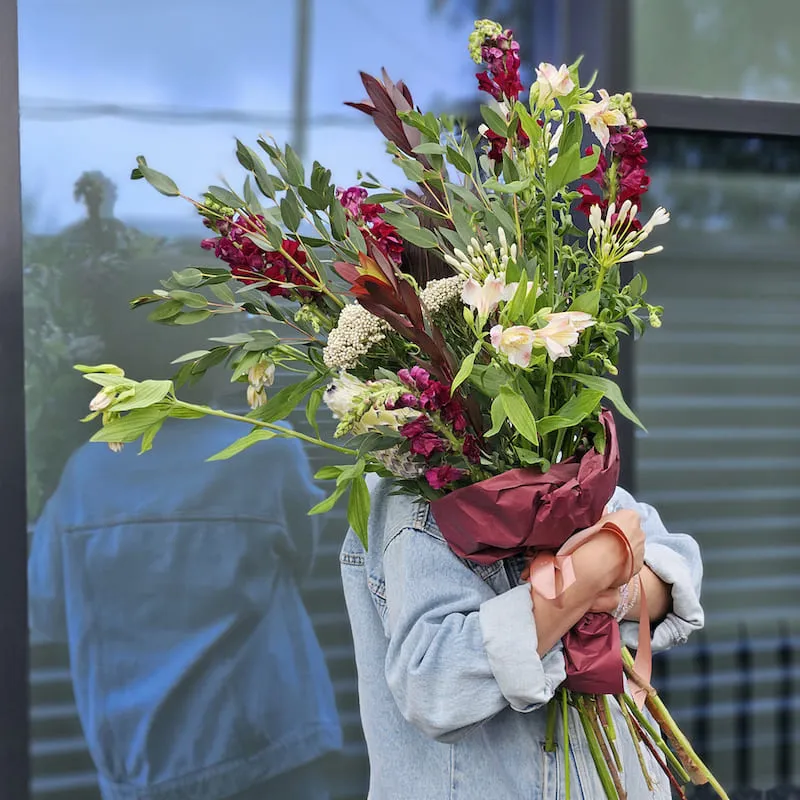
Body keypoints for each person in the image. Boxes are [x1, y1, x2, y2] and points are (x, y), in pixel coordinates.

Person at [338, 244, 704, 799]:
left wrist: (603, 588)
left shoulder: (556, 457)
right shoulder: (412, 498)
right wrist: (583, 579)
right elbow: (435, 686)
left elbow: (674, 578)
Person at [28, 261, 342, 800]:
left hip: (143, 762)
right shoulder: (264, 447)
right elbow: (304, 556)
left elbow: (47, 613)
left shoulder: (86, 475)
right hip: (275, 748)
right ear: (213, 354)